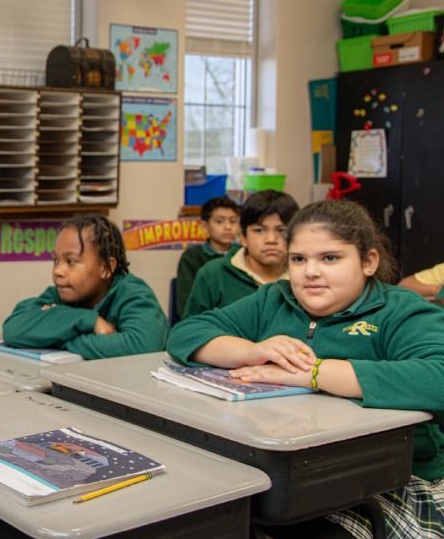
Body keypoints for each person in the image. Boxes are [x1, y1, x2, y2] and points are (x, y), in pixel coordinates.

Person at [167, 199, 444, 539]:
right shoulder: (274, 299)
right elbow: (184, 334)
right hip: (285, 469)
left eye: (330, 258)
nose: (310, 272)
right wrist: (252, 350)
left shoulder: (400, 311)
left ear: (369, 261)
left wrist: (314, 373)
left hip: (389, 477)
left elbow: (438, 377)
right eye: (298, 259)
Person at [2, 214, 167, 359]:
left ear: (105, 268)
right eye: (56, 260)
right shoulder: (60, 294)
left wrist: (54, 336)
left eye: (71, 261)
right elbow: (13, 329)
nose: (58, 271)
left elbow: (142, 347)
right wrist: (89, 320)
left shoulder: (133, 294)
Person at [183, 189, 298, 318]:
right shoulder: (212, 274)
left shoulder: (306, 275)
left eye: (282, 230)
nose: (271, 239)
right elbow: (190, 332)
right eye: (259, 230)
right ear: (243, 237)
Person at [175, 196, 241, 320]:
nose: (228, 227)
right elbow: (186, 305)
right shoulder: (192, 257)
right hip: (207, 323)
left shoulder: (242, 255)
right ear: (205, 226)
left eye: (233, 221)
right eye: (219, 221)